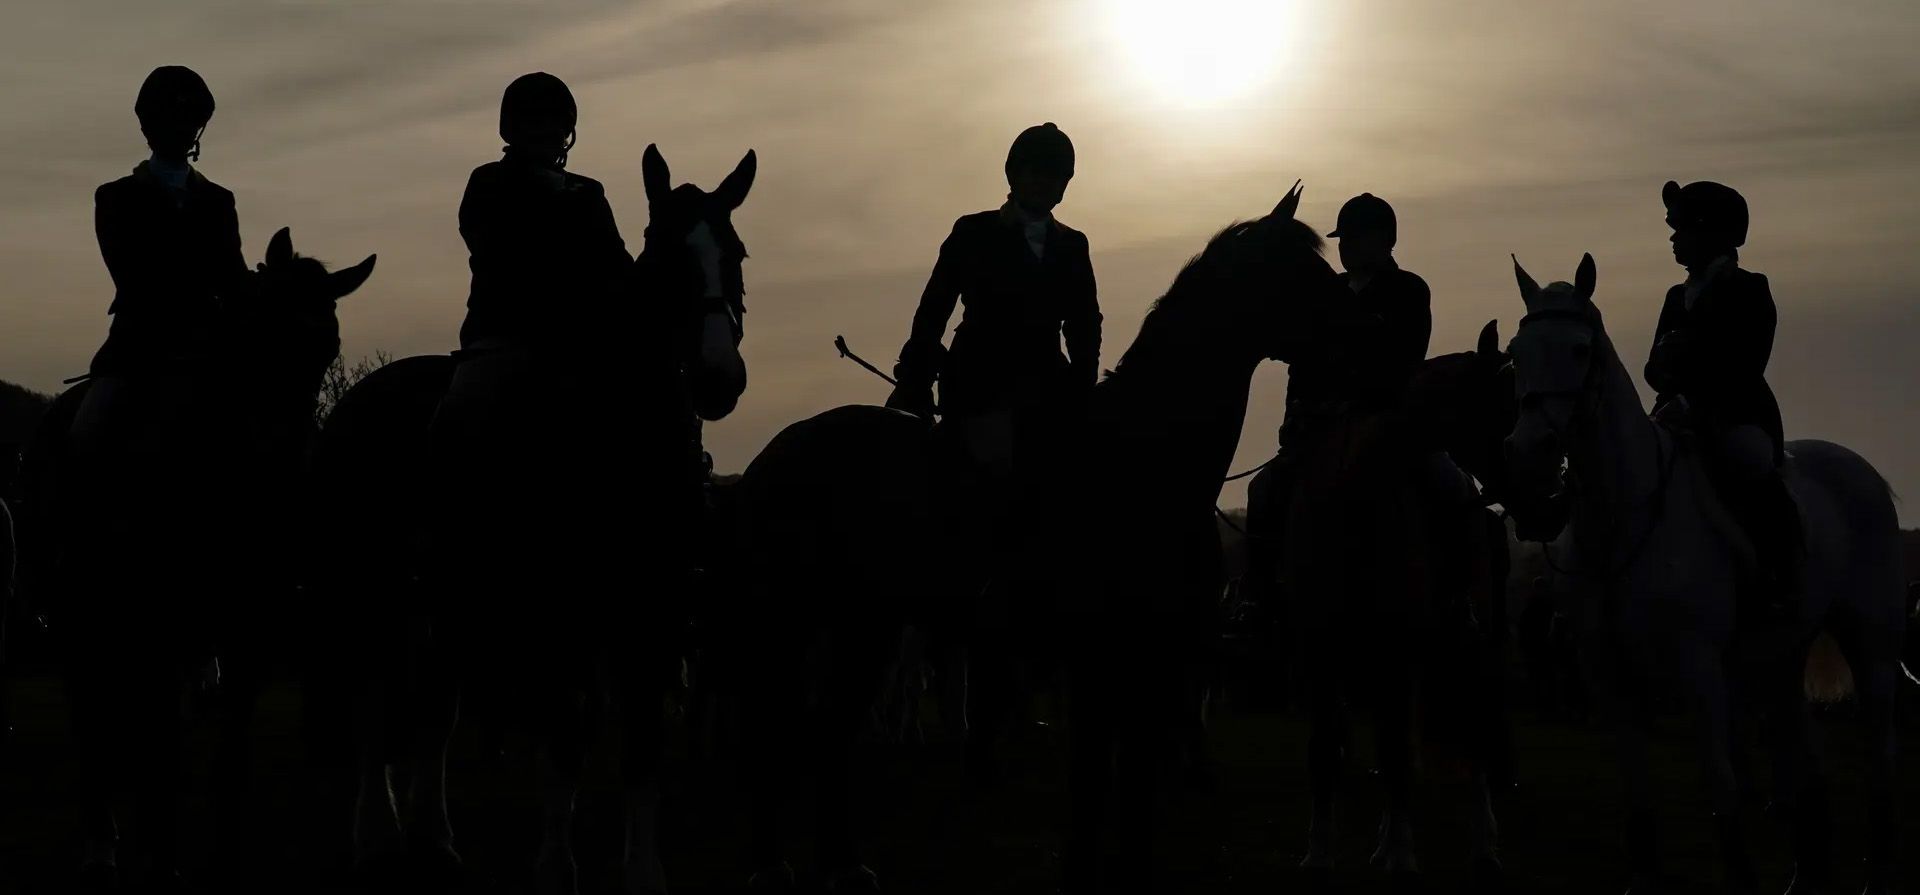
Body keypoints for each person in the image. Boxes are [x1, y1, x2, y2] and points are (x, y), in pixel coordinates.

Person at [884, 122, 1100, 782]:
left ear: (1065, 182)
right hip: (979, 393)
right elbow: (934, 308)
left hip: (1046, 402)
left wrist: (1082, 390)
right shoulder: (974, 232)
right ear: (1014, 174)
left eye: (1054, 172)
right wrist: (915, 379)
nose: (1042, 181)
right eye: (1033, 170)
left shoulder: (1073, 246)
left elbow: (1085, 324)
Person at [71, 65, 249, 466]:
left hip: (209, 345)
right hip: (138, 347)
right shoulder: (115, 197)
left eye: (188, 119)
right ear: (150, 126)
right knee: (86, 433)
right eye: (171, 118)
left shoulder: (220, 201)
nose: (180, 128)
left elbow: (234, 278)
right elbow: (130, 275)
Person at [1644, 180, 1796, 613]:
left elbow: (1746, 366)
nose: (1673, 239)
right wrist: (1663, 362)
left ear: (1710, 233)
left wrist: (1694, 401)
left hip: (1735, 415)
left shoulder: (1750, 289)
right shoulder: (1676, 297)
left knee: (1749, 459)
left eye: (1682, 230)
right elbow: (1653, 371)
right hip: (1672, 415)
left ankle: (1780, 564)